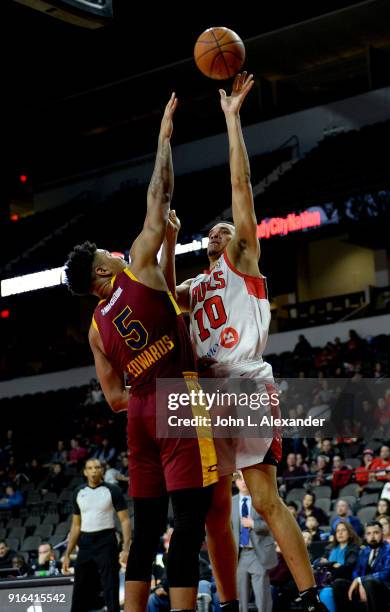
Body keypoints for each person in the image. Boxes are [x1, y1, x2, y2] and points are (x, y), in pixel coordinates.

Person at [165, 73, 327, 611]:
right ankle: (231, 601)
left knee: (262, 498)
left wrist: (232, 119)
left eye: (225, 230)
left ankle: (307, 595)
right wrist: (167, 241)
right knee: (212, 508)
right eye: (210, 232)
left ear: (238, 240)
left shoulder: (243, 261)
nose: (217, 233)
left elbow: (241, 189)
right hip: (205, 395)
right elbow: (160, 293)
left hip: (244, 383)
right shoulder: (194, 285)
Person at [64, 94, 218, 612]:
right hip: (178, 397)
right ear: (104, 272)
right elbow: (161, 192)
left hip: (140, 416)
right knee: (189, 524)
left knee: (147, 528)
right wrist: (163, 138)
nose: (113, 249)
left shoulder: (93, 327)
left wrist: (146, 393)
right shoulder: (134, 265)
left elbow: (113, 398)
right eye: (106, 253)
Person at [62, 458, 131, 612]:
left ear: (102, 470)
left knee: (110, 586)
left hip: (106, 540)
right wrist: (68, 553)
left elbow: (125, 521)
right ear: (85, 472)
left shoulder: (112, 490)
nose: (94, 470)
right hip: (85, 542)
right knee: (80, 587)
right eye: (90, 468)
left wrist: (126, 548)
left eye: (97, 467)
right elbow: (76, 525)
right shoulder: (78, 492)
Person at [332, 521, 390, 611]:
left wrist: (361, 580)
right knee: (339, 584)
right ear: (365, 536)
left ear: (382, 533)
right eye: (369, 533)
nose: (372, 537)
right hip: (368, 585)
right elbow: (356, 572)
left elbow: (385, 574)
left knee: (369, 582)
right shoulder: (365, 551)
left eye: (376, 533)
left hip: (388, 588)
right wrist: (359, 581)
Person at [232, 471, 276, 612]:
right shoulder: (230, 502)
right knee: (241, 598)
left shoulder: (261, 499)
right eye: (240, 479)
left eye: (246, 478)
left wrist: (254, 524)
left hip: (259, 553)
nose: (243, 481)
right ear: (235, 481)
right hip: (240, 555)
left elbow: (273, 523)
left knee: (262, 597)